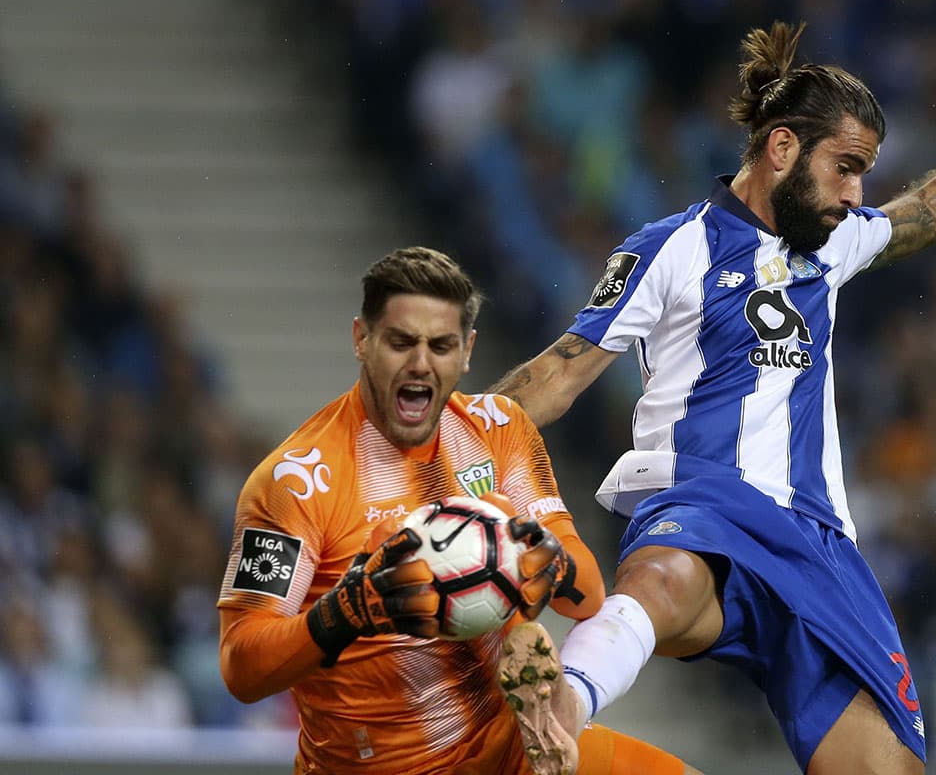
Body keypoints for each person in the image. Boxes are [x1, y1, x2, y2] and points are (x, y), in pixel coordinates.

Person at [491, 0, 936, 775]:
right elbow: (556, 375)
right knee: (663, 580)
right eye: (845, 167)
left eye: (864, 174)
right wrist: (443, 455)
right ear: (782, 147)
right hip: (705, 501)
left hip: (819, 549)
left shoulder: (834, 244)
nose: (855, 194)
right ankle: (562, 707)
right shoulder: (674, 248)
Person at [217, 246, 699, 774]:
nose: (421, 363)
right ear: (362, 339)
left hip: (514, 752)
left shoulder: (499, 429)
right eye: (401, 343)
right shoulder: (296, 483)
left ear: (466, 351)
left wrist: (536, 558)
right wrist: (348, 611)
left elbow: (586, 597)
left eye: (440, 345)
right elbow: (243, 667)